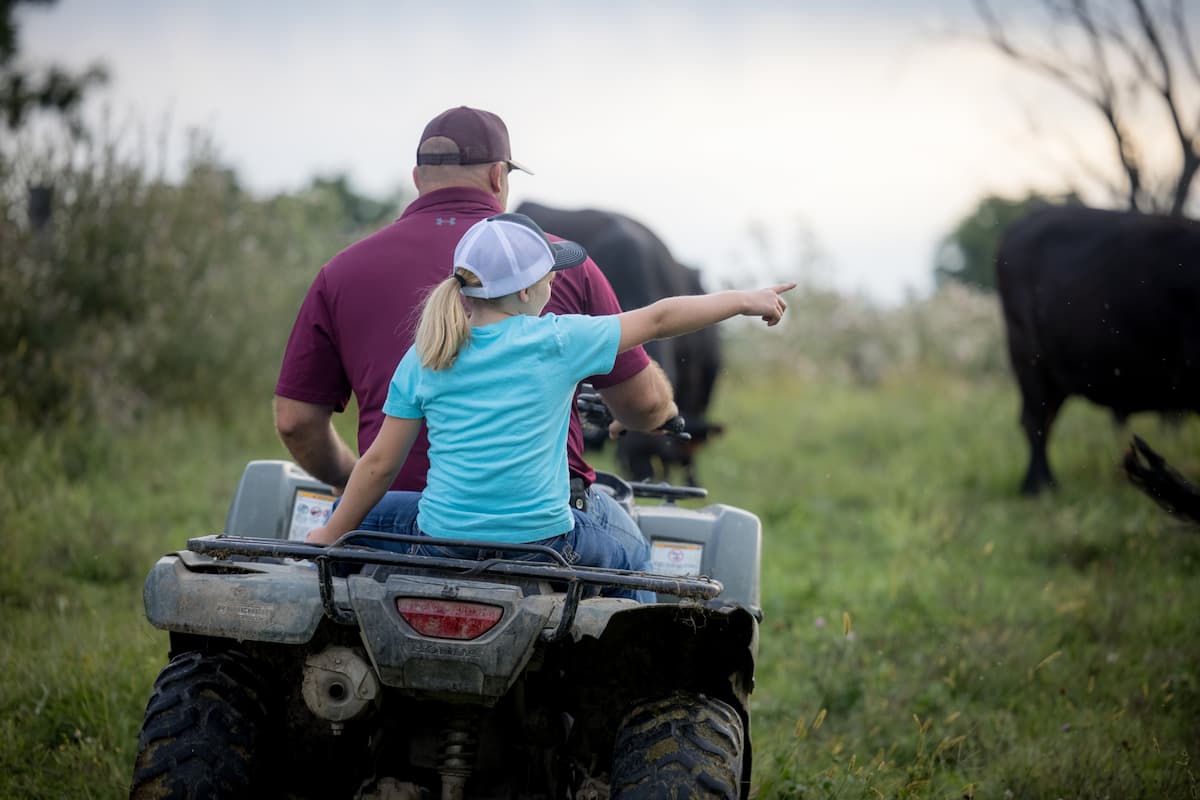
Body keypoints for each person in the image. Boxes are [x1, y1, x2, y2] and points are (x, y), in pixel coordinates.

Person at [304, 214, 793, 598]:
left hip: (440, 537)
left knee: (363, 518)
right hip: (548, 544)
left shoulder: (428, 352)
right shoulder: (559, 340)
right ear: (525, 291)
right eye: (550, 275)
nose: (554, 283)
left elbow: (379, 464)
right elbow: (663, 317)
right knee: (636, 556)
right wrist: (745, 301)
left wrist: (330, 534)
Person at [274, 105, 676, 548]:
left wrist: (351, 481)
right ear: (498, 178)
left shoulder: (341, 271)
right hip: (537, 536)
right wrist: (662, 415)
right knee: (634, 553)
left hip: (393, 526)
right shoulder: (553, 264)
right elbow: (642, 402)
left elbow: (295, 421)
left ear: (416, 179)